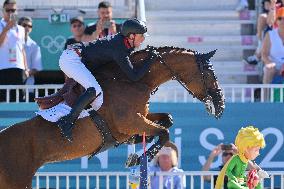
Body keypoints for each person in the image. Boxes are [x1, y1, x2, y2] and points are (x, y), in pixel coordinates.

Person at [57, 18, 157, 142]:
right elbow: (134, 76)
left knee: (99, 90)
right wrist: (151, 59)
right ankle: (66, 122)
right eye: (141, 36)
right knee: (94, 90)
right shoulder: (119, 48)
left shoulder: (122, 44)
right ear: (131, 36)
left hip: (75, 57)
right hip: (72, 59)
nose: (143, 39)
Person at [0, 0, 27, 102]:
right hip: (3, 67)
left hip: (18, 66)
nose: (11, 13)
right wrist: (6, 28)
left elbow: (22, 49)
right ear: (3, 11)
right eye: (8, 10)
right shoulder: (1, 25)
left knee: (19, 97)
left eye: (13, 10)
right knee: (3, 97)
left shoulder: (21, 29)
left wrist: (26, 68)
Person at [18, 16, 42, 101]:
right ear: (19, 26)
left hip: (28, 88)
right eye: (24, 25)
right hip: (11, 86)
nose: (27, 28)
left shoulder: (34, 46)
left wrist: (24, 74)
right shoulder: (10, 43)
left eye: (30, 26)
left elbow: (37, 68)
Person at [262, 7, 284, 85]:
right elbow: (264, 54)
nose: (282, 21)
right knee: (269, 70)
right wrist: (270, 63)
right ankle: (265, 97)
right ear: (276, 21)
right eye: (280, 18)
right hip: (274, 65)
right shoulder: (270, 34)